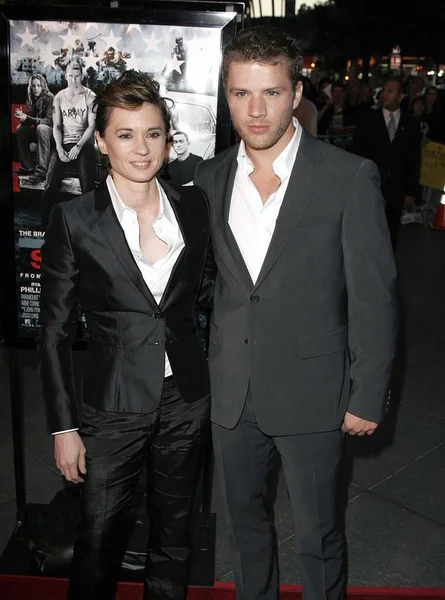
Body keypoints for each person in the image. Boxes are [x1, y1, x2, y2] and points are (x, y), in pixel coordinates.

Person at [194, 26, 398, 600]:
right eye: (241, 94)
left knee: (318, 535)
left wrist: (366, 393)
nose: (256, 111)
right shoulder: (207, 180)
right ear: (225, 93)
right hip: (231, 391)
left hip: (315, 390)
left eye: (272, 93)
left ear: (297, 91)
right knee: (246, 528)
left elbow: (375, 295)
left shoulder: (346, 177)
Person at [39, 70, 213, 600]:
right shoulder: (74, 219)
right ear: (101, 141)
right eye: (126, 134)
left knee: (174, 537)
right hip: (112, 407)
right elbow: (55, 331)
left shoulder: (192, 205)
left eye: (153, 133)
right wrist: (64, 428)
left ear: (168, 138)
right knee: (99, 543)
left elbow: (204, 299)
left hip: (186, 398)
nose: (142, 148)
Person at [352, 77, 421, 248]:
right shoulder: (368, 119)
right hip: (372, 184)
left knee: (392, 229)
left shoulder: (410, 123)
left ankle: (387, 266)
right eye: (384, 90)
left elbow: (414, 158)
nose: (385, 94)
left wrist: (411, 191)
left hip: (397, 186)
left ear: (400, 96)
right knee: (369, 227)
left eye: (390, 91)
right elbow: (357, 152)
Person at [41, 58, 97, 227]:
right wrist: (58, 147)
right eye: (71, 76)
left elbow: (92, 126)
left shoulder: (90, 96)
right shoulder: (58, 97)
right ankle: (47, 225)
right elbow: (57, 126)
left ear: (82, 76)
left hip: (84, 144)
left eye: (77, 76)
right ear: (66, 76)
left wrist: (78, 147)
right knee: (50, 183)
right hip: (64, 143)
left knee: (87, 185)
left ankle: (90, 225)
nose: (74, 80)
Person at [14, 74, 54, 182]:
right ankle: (27, 167)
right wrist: (22, 119)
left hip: (52, 134)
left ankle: (41, 172)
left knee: (41, 128)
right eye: (34, 86)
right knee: (20, 130)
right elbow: (31, 119)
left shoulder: (50, 98)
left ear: (43, 86)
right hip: (39, 132)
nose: (36, 88)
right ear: (30, 87)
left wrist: (28, 118)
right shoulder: (32, 98)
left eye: (39, 86)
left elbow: (49, 121)